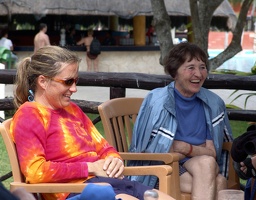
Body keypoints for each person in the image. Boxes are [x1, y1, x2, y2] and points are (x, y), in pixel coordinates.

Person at [10, 45, 175, 200]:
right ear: (43, 81)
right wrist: (90, 168)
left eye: (76, 81)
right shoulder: (29, 115)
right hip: (77, 192)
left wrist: (113, 160)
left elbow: (104, 147)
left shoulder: (72, 110)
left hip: (107, 184)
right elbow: (35, 171)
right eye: (68, 82)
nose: (74, 88)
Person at [129, 42, 233, 200]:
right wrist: (197, 150)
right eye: (191, 67)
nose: (198, 74)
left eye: (202, 67)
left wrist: (184, 147)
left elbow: (212, 152)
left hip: (200, 167)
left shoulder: (212, 104)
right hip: (163, 170)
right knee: (219, 182)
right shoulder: (158, 102)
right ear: (174, 72)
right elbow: (148, 150)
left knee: (207, 163)